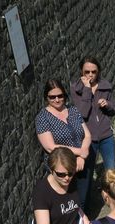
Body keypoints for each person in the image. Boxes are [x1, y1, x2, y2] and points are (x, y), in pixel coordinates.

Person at [36, 79, 92, 210]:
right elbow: (50, 147)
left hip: (80, 164)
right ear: (46, 97)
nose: (56, 99)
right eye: (52, 97)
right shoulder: (43, 118)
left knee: (83, 200)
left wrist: (82, 157)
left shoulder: (73, 111)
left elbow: (87, 135)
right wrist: (79, 152)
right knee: (68, 205)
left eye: (60, 96)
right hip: (62, 169)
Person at [70, 56, 115, 180]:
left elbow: (114, 110)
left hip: (106, 135)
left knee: (112, 170)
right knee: (87, 174)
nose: (90, 75)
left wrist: (107, 105)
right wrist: (86, 88)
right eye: (87, 72)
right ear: (81, 72)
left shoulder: (105, 86)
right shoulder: (76, 89)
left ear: (98, 71)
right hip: (88, 139)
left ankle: (113, 197)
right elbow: (82, 113)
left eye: (94, 72)